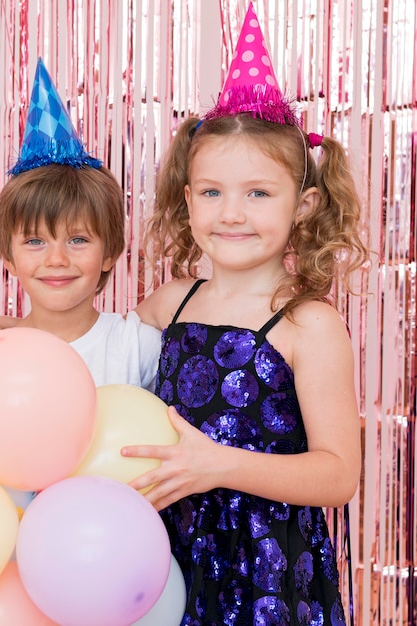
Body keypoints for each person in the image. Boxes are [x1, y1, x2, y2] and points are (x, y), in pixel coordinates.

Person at [119, 4, 368, 624]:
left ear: (304, 204)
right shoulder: (166, 305)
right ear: (188, 199)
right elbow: (87, 358)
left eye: (258, 193)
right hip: (165, 558)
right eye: (212, 193)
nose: (231, 213)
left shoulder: (308, 323)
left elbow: (338, 476)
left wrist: (218, 465)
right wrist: (7, 331)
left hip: (266, 573)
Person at [0, 58, 161, 390]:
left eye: (77, 240)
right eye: (35, 242)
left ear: (110, 252)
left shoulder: (138, 347)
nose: (57, 260)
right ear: (8, 257)